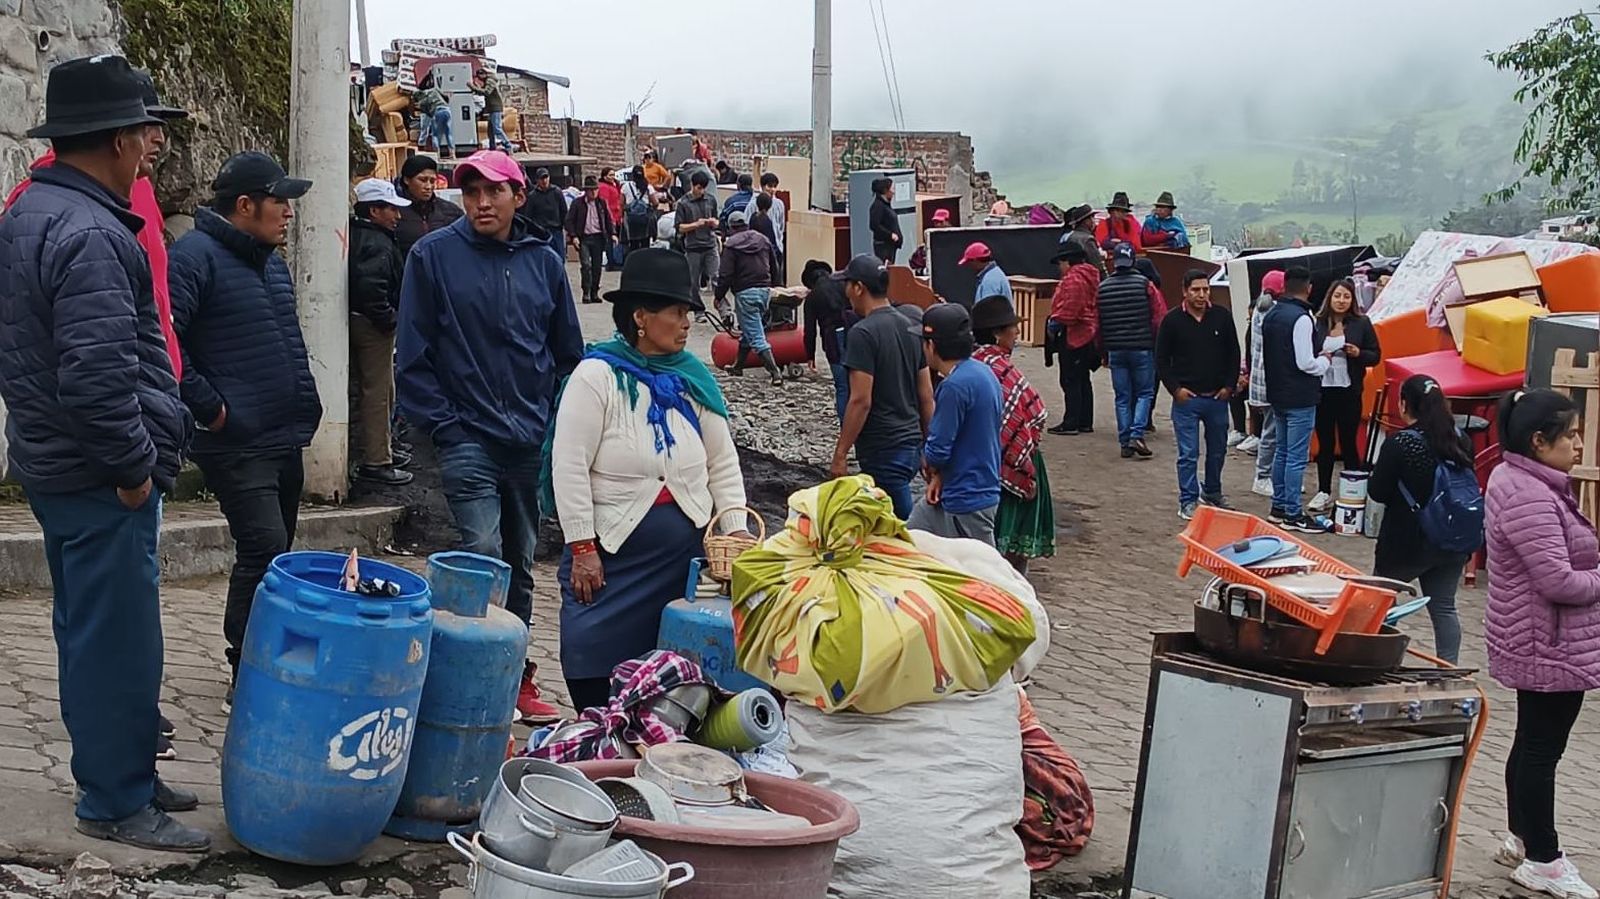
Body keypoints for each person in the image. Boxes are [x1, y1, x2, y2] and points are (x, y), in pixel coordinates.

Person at [0, 54, 205, 852]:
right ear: (119, 140)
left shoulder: (37, 209)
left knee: (102, 631)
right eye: (147, 131)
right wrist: (131, 470)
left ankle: (125, 771)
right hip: (97, 475)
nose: (153, 146)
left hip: (61, 466)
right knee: (114, 640)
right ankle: (115, 799)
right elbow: (94, 379)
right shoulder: (86, 231)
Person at [397, 150, 585, 724]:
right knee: (480, 555)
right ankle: (467, 674)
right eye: (471, 192)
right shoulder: (433, 256)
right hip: (467, 437)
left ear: (517, 196)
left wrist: (553, 419)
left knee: (521, 563)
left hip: (528, 439)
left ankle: (514, 676)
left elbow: (567, 351)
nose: (481, 202)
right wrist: (446, 427)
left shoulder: (543, 260)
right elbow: (414, 356)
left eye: (494, 192)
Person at [548, 248, 749, 713]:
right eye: (677, 312)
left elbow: (722, 463)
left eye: (688, 313)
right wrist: (581, 546)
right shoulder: (596, 376)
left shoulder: (693, 379)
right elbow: (570, 464)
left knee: (671, 677)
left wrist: (735, 529)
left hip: (682, 565)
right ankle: (602, 740)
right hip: (610, 564)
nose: (686, 323)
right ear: (641, 316)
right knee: (591, 667)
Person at [169, 151, 322, 696]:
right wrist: (213, 408)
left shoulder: (269, 260)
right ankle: (246, 665)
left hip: (283, 434)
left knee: (278, 554)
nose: (287, 213)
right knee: (262, 546)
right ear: (244, 205)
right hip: (235, 442)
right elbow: (168, 345)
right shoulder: (193, 257)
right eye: (280, 201)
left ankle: (270, 659)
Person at [1483, 388, 1599, 899]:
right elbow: (1558, 581)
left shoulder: (1524, 479)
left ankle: (1522, 834)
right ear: (1538, 441)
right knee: (1541, 751)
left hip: (1535, 636)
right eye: (1570, 435)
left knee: (1531, 742)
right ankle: (1544, 858)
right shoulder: (1530, 494)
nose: (1578, 445)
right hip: (1547, 641)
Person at [1366, 375, 1474, 664]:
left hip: (1406, 542)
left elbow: (1377, 492)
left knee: (1382, 605)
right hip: (1451, 540)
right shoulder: (1460, 439)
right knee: (1444, 607)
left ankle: (1377, 663)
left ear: (1404, 405)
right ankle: (1448, 667)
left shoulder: (1401, 443)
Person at [830, 255, 935, 519]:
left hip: (883, 447)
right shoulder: (910, 324)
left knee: (901, 530)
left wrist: (841, 453)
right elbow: (926, 395)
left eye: (847, 284)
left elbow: (860, 400)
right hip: (912, 443)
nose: (846, 292)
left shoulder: (862, 334)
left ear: (858, 288)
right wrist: (929, 446)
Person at [971, 297, 1055, 571]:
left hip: (986, 461)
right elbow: (1026, 416)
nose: (1017, 332)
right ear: (997, 332)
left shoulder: (976, 363)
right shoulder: (998, 368)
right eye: (1013, 327)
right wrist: (1023, 462)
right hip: (1011, 464)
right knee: (1009, 551)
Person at [908, 304, 1003, 544]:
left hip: (966, 498)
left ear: (932, 346)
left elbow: (938, 448)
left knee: (981, 573)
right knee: (910, 539)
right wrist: (940, 476)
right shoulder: (983, 373)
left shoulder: (953, 387)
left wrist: (930, 462)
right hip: (972, 487)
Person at [1155, 270, 1242, 520]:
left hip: (1217, 398)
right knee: (1188, 453)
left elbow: (1233, 354)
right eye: (1196, 290)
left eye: (1205, 289)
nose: (1201, 295)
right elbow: (1161, 359)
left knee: (1217, 450)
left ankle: (1213, 491)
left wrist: (1228, 386)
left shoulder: (1222, 317)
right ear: (1185, 291)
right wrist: (1175, 389)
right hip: (1187, 400)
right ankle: (1188, 499)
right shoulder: (1172, 321)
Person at [348, 178, 414, 487]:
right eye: (391, 209)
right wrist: (388, 319)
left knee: (379, 390)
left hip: (364, 320)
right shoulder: (377, 243)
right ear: (374, 210)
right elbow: (371, 287)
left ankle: (381, 449)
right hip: (372, 325)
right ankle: (377, 459)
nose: (397, 216)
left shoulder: (360, 236)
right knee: (379, 392)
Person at [1262, 264, 1334, 533]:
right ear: (1309, 287)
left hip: (1277, 393)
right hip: (1300, 395)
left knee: (1282, 451)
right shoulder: (1302, 318)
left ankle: (1278, 507)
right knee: (1295, 456)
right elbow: (1305, 362)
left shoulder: (1272, 314)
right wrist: (1324, 362)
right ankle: (1293, 512)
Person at [1307, 279, 1382, 513]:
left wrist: (1358, 353)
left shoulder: (1362, 323)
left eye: (1346, 297)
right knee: (1325, 443)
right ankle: (1323, 491)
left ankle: (1354, 491)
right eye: (1337, 296)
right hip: (1322, 391)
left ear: (1352, 300)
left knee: (1349, 441)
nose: (1341, 301)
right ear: (1330, 297)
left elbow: (1375, 355)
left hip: (1349, 390)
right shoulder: (1316, 323)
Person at [1097, 243, 1166, 460]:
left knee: (1122, 397)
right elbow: (1159, 317)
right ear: (1133, 261)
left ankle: (1124, 441)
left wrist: (1103, 351)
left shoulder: (1103, 288)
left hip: (1116, 349)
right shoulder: (1145, 285)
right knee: (1145, 392)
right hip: (1142, 348)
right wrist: (1157, 343)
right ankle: (1137, 433)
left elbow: (1097, 324)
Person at [715, 211, 783, 385]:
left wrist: (719, 296)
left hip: (745, 293)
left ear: (731, 227)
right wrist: (776, 287)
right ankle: (738, 366)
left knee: (756, 336)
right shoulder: (762, 239)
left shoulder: (731, 245)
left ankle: (775, 373)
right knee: (749, 329)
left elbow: (725, 274)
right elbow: (775, 265)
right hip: (765, 291)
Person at [1046, 242, 1101, 436]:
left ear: (1067, 261)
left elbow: (1071, 309)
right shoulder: (1090, 276)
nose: (1059, 268)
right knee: (1083, 379)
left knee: (1070, 380)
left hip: (1074, 334)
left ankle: (1071, 422)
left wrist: (1056, 321)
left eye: (1060, 263)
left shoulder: (1073, 280)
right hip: (1088, 334)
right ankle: (1085, 420)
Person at [1245, 270, 1285, 497]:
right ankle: (1263, 476)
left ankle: (1274, 477)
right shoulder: (1272, 313)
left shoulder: (1260, 311)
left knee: (1275, 431)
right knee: (1272, 432)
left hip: (1262, 381)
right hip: (1272, 382)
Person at [802, 259, 851, 421]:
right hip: (854, 331)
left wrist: (810, 355)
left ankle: (846, 424)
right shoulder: (843, 284)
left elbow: (810, 330)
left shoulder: (812, 296)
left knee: (842, 386)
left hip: (832, 339)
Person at [393, 155, 463, 258]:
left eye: (432, 181)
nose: (428, 187)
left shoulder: (450, 211)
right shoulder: (394, 212)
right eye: (423, 180)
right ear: (407, 180)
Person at [674, 171, 722, 318]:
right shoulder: (683, 203)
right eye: (699, 188)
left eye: (703, 188)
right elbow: (679, 227)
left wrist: (714, 223)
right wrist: (695, 224)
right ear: (692, 186)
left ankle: (724, 311)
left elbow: (718, 220)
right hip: (693, 247)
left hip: (710, 244)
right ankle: (698, 310)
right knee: (693, 282)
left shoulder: (710, 199)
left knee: (717, 277)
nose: (701, 191)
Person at [565, 175, 615, 305]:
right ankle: (586, 291)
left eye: (595, 190)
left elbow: (608, 220)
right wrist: (574, 236)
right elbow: (569, 221)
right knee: (586, 265)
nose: (593, 193)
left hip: (598, 237)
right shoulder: (578, 203)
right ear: (586, 191)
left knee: (597, 267)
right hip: (584, 238)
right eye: (591, 190)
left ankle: (594, 292)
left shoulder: (601, 203)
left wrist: (613, 233)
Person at [745, 172, 787, 278]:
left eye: (774, 187)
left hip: (775, 246)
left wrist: (779, 241)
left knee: (776, 277)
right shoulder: (753, 204)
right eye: (769, 186)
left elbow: (781, 225)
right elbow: (747, 223)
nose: (772, 190)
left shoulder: (779, 204)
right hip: (757, 247)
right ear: (763, 187)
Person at [471, 68, 512, 152]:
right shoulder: (487, 82)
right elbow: (482, 91)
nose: (479, 78)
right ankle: (492, 147)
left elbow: (486, 92)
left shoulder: (490, 81)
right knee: (490, 130)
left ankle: (508, 145)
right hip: (491, 108)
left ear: (483, 75)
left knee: (497, 128)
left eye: (479, 76)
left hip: (495, 108)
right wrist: (475, 87)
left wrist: (473, 87)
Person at [960, 242, 1013, 306]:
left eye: (969, 262)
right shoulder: (994, 273)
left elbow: (988, 311)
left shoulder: (990, 281)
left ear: (975, 260)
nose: (969, 265)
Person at [413, 75, 453, 159]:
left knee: (435, 134)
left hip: (438, 112)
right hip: (447, 110)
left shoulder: (422, 101)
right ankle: (452, 154)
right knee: (448, 132)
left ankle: (437, 154)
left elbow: (428, 113)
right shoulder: (434, 90)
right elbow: (446, 97)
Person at [521, 167, 567, 238]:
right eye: (542, 178)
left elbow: (564, 211)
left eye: (546, 177)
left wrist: (566, 230)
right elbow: (528, 216)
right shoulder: (532, 196)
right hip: (540, 232)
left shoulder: (557, 192)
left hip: (556, 231)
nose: (544, 181)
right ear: (537, 180)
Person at [1060, 204, 1106, 275]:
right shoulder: (1088, 239)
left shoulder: (1068, 237)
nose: (1094, 221)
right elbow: (1097, 265)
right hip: (1086, 278)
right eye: (1092, 217)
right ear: (1086, 221)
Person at [620, 166, 655, 255]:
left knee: (633, 244)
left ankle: (634, 263)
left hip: (631, 220)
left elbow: (621, 203)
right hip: (645, 220)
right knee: (645, 243)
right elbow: (655, 202)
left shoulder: (625, 186)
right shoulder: (648, 187)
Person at [869, 177, 903, 264]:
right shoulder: (878, 206)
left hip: (890, 246)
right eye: (892, 189)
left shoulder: (886, 205)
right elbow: (874, 225)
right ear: (885, 190)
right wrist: (890, 235)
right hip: (883, 246)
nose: (894, 192)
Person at [597, 167, 625, 270]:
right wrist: (610, 218)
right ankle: (611, 263)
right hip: (610, 216)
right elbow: (606, 203)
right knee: (610, 240)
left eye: (613, 175)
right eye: (610, 175)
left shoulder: (614, 185)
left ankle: (616, 260)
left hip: (617, 215)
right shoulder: (603, 187)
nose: (613, 177)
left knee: (616, 240)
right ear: (604, 176)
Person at [909, 207, 950, 276]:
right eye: (936, 222)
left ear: (947, 221)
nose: (938, 225)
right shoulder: (931, 236)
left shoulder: (954, 236)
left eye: (940, 222)